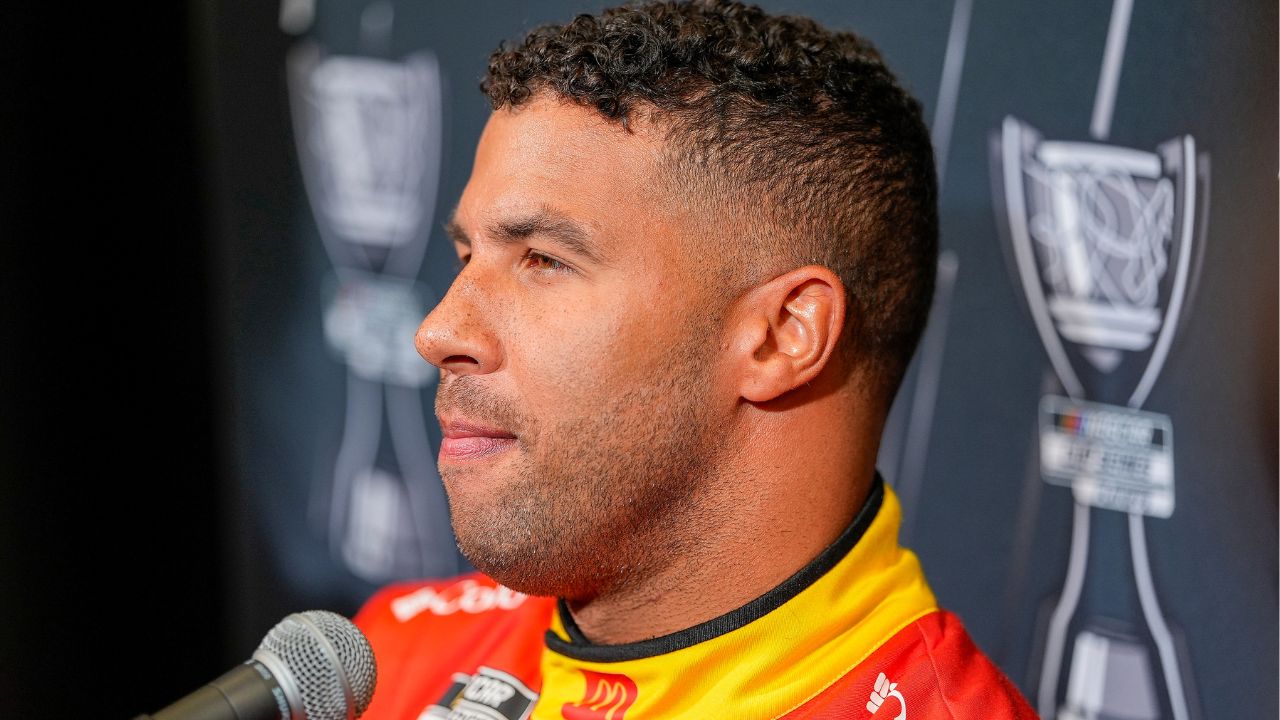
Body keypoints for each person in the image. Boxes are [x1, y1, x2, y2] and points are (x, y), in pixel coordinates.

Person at [354, 1, 1036, 718]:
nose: (437, 331)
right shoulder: (393, 657)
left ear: (782, 334)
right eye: (467, 256)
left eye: (544, 261)